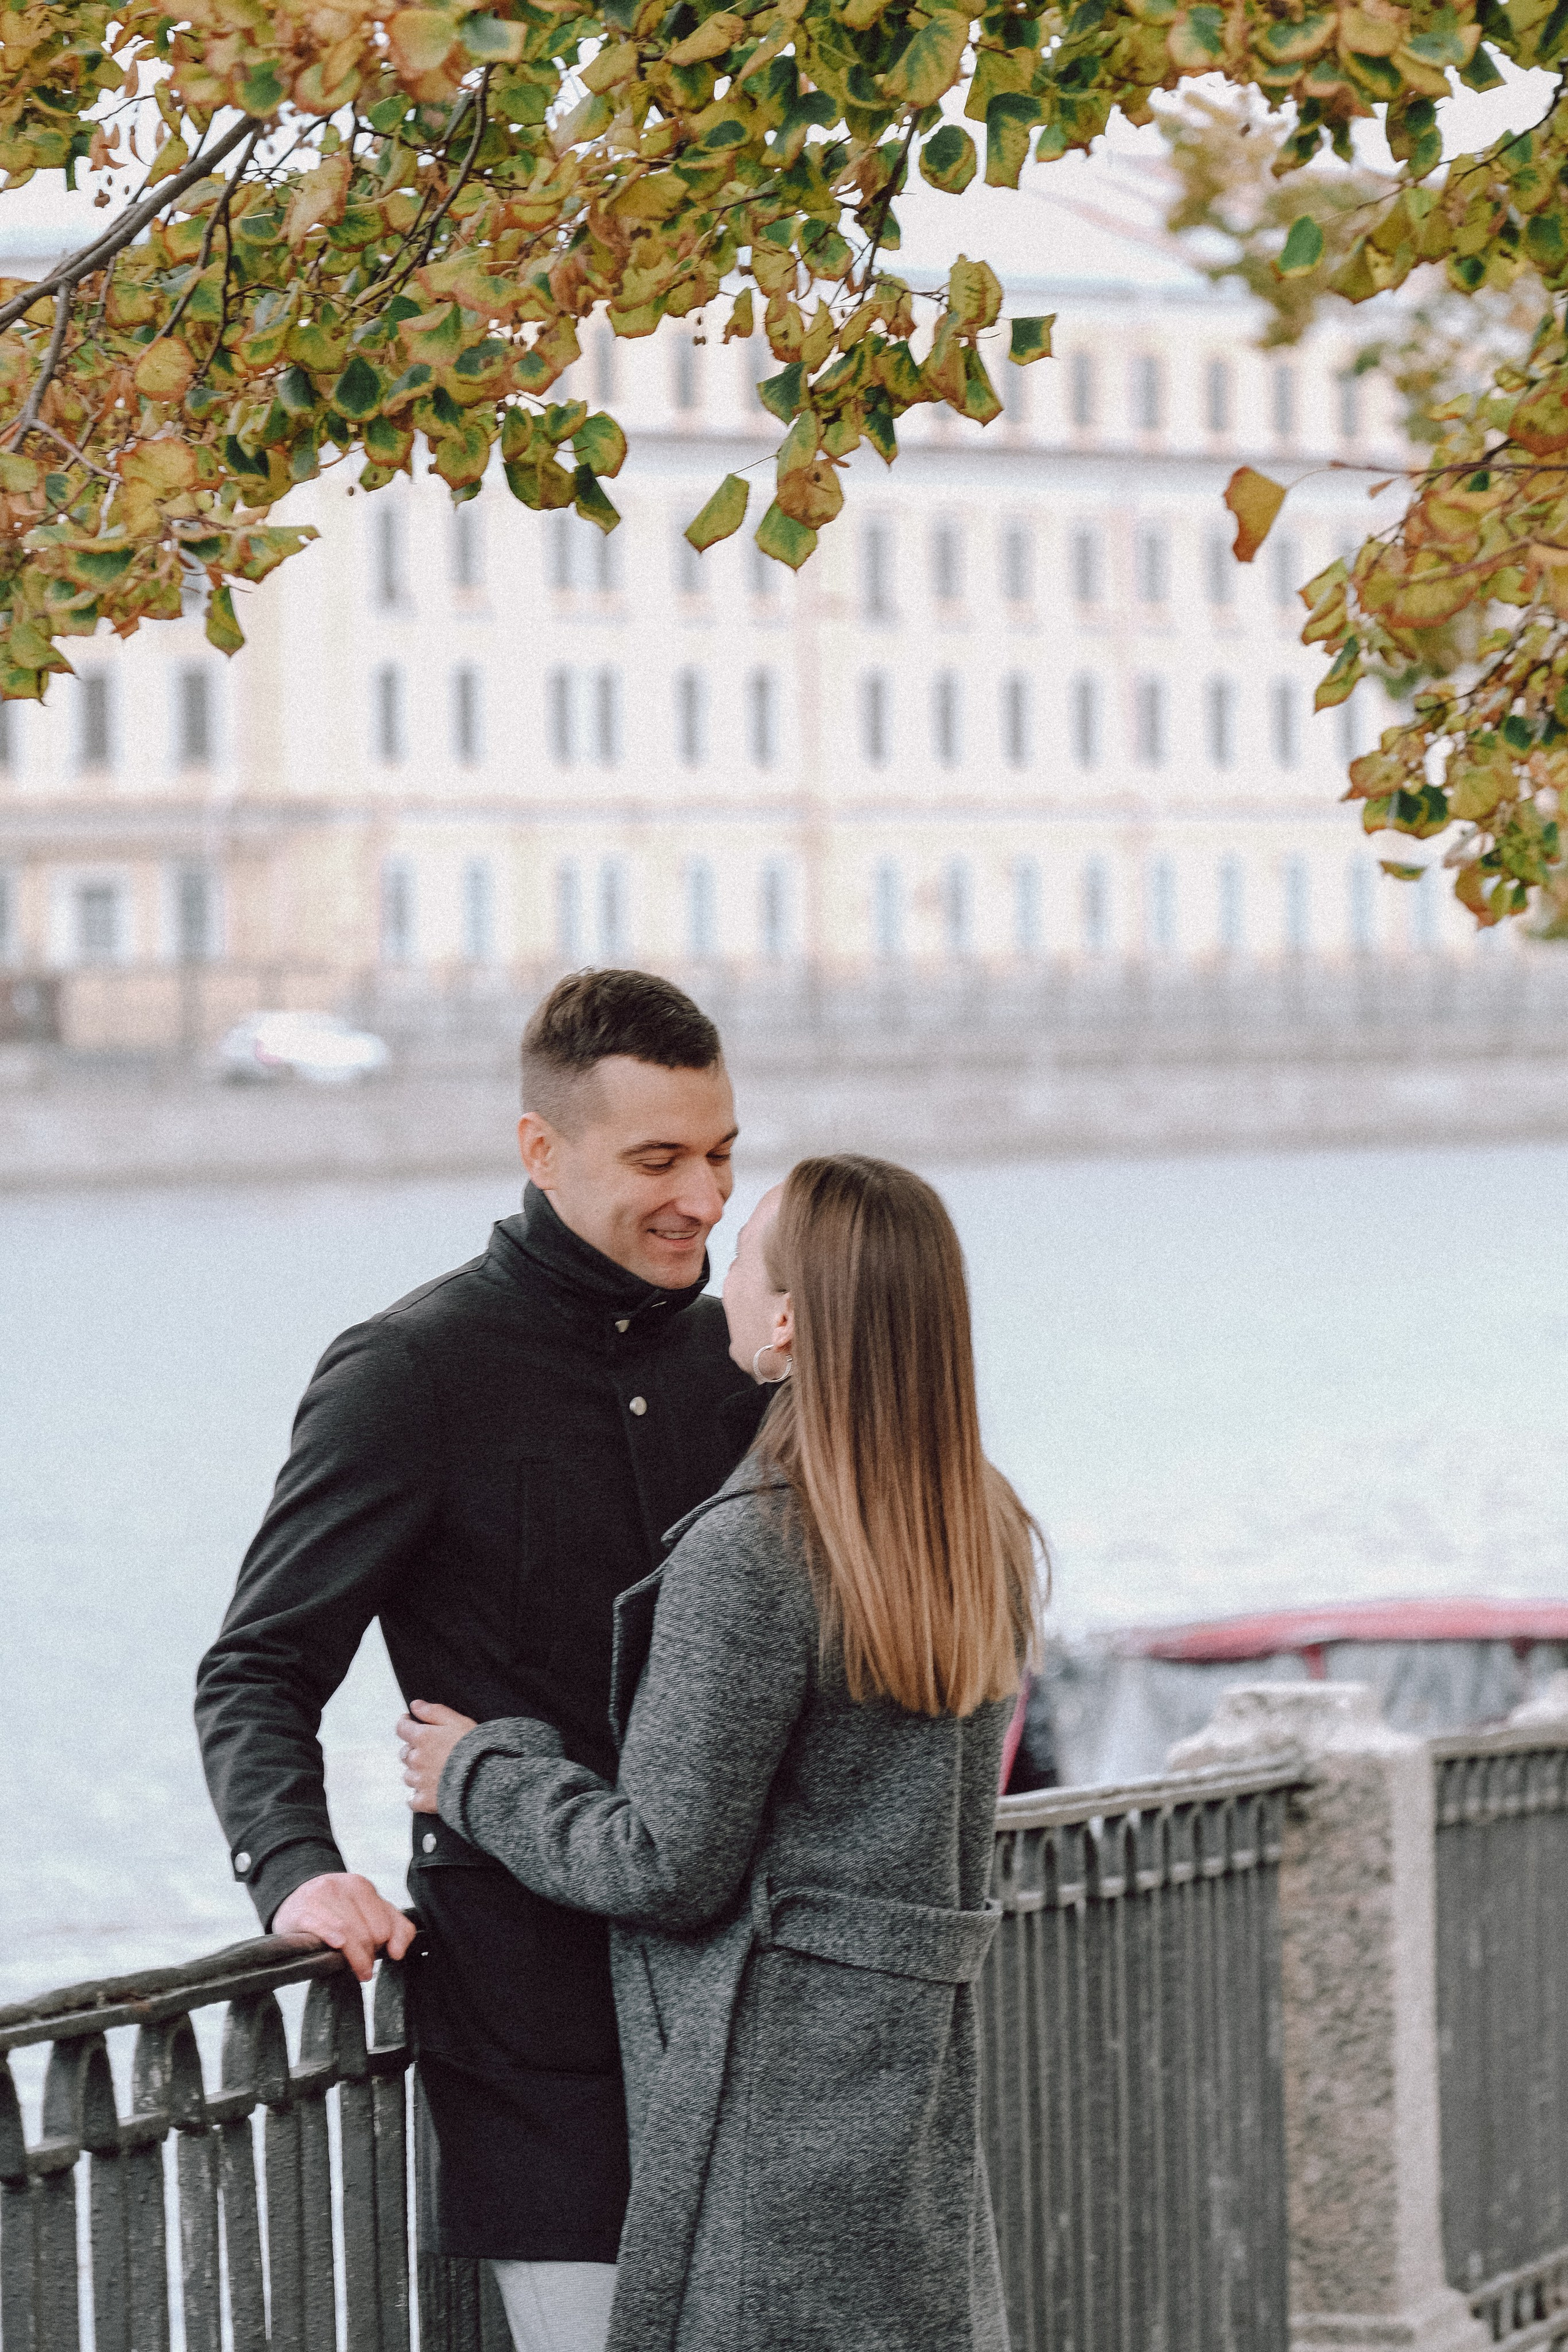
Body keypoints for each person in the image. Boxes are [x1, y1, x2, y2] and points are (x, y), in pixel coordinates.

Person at [195, 970, 769, 2352]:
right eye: (657, 1160)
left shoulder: (747, 1360)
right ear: (540, 1151)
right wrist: (294, 1865)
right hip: (535, 2028)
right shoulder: (410, 1369)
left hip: (753, 2011)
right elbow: (260, 1666)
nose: (701, 1197)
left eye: (720, 1157)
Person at [400, 1154, 1043, 2352]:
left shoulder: (753, 1552)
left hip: (765, 2118)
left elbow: (663, 1863)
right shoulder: (978, 1528)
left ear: (790, 1316)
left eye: (745, 1256)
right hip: (907, 2106)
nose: (723, 1276)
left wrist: (484, 1772)